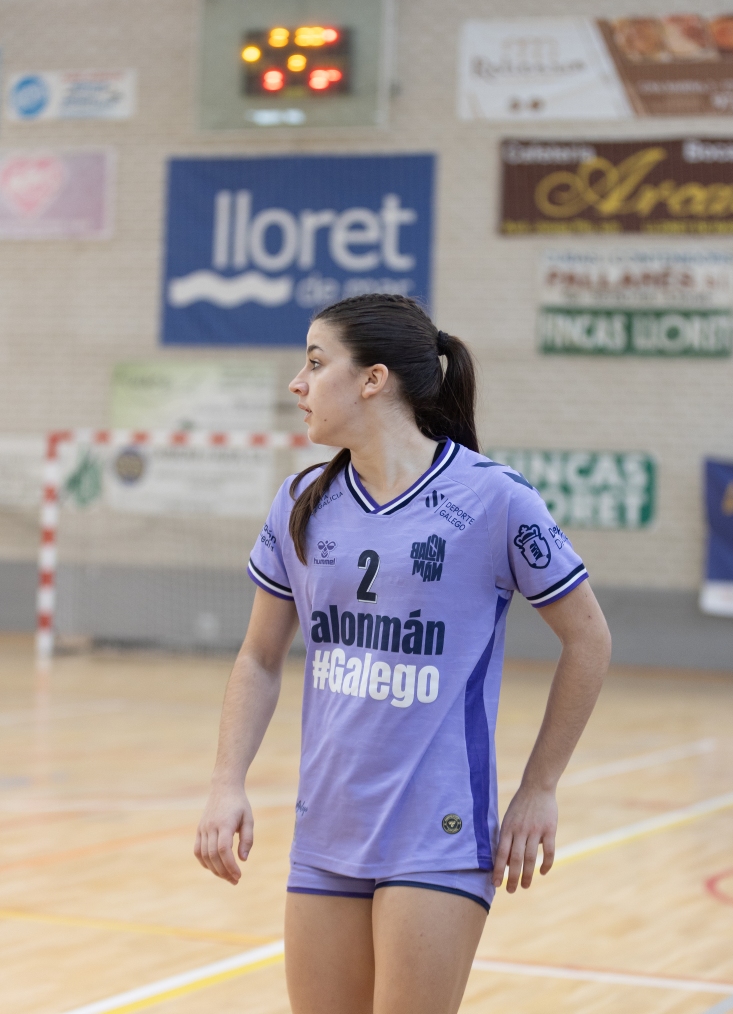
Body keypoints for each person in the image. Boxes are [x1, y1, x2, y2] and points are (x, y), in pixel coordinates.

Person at [195, 294, 612, 1014]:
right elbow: (259, 658)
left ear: (373, 379)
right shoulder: (300, 501)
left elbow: (589, 638)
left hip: (439, 834)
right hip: (328, 828)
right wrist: (226, 781)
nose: (297, 383)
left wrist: (539, 787)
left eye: (316, 363)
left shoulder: (494, 498)